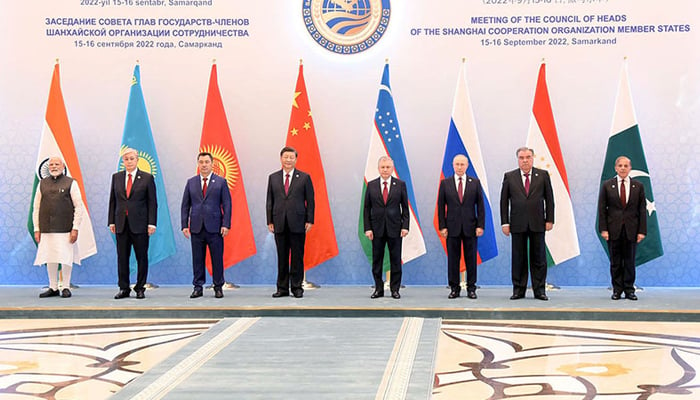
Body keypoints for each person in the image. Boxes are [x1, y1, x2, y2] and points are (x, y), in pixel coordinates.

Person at [500, 147, 554, 301]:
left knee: (539, 258)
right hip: (517, 224)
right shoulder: (509, 176)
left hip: (538, 223)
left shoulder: (542, 175)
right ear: (518, 159)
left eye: (528, 157)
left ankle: (539, 290)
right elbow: (504, 202)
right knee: (519, 258)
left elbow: (549, 199)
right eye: (522, 157)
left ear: (533, 158)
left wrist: (550, 219)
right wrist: (505, 222)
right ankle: (518, 290)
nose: (525, 160)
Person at [181, 152, 231, 299]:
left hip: (215, 227)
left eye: (206, 162)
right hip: (196, 227)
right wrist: (184, 224)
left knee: (217, 258)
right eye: (201, 162)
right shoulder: (191, 182)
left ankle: (218, 286)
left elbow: (227, 205)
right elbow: (185, 205)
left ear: (212, 164)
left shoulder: (221, 182)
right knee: (197, 259)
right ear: (198, 164)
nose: (204, 165)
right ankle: (198, 287)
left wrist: (226, 224)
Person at [266, 146, 315, 299]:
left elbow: (311, 201)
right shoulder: (273, 177)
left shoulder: (305, 177)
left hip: (298, 222)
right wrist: (270, 220)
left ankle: (296, 287)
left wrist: (309, 220)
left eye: (291, 157)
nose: (288, 160)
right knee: (281, 257)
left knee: (297, 257)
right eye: (285, 157)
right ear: (281, 158)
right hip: (279, 222)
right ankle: (282, 288)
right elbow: (269, 201)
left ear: (296, 159)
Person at [108, 148, 157, 300]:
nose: (129, 161)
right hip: (121, 224)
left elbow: (152, 203)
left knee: (141, 257)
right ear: (123, 161)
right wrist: (111, 221)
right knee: (122, 257)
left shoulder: (147, 178)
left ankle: (140, 287)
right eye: (126, 159)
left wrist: (151, 223)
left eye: (131, 159)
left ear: (137, 160)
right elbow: (113, 201)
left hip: (140, 225)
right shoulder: (116, 177)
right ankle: (124, 288)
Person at [33, 156, 84, 298]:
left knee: (66, 257)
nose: (54, 167)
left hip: (66, 228)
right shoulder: (42, 183)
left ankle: (66, 286)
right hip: (46, 228)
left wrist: (75, 228)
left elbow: (78, 207)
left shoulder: (71, 183)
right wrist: (37, 228)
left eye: (57, 164)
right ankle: (53, 287)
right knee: (50, 257)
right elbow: (36, 207)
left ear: (63, 167)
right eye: (51, 164)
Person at [598, 156, 647, 301]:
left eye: (626, 166)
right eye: (620, 165)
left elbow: (642, 210)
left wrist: (642, 231)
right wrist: (604, 229)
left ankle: (629, 290)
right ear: (615, 168)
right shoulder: (607, 185)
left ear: (630, 168)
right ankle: (617, 290)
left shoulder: (638, 186)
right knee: (616, 262)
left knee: (630, 261)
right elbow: (602, 209)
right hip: (613, 230)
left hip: (632, 230)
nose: (623, 168)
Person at [437, 154, 485, 299]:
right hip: (452, 228)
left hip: (471, 227)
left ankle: (471, 288)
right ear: (453, 165)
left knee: (471, 259)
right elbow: (440, 207)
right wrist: (442, 226)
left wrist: (480, 225)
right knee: (453, 259)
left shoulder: (475, 183)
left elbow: (481, 207)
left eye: (462, 164)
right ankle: (454, 288)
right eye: (457, 164)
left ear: (467, 165)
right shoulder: (445, 183)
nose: (459, 167)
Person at [364, 156, 409, 299]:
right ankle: (378, 289)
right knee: (377, 260)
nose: (385, 170)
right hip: (376, 229)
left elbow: (405, 208)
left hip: (395, 228)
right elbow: (366, 209)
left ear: (392, 168)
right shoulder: (371, 185)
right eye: (382, 167)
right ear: (378, 168)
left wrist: (405, 226)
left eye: (388, 167)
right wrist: (368, 228)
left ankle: (395, 289)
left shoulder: (400, 185)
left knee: (395, 260)